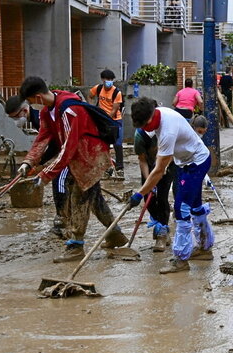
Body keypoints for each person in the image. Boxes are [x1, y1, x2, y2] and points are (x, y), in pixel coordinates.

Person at [18, 76, 128, 263]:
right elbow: (42, 139)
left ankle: (76, 246)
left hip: (90, 157)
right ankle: (115, 234)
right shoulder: (47, 112)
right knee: (95, 199)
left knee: (79, 198)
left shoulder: (70, 110)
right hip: (80, 157)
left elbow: (68, 147)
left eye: (30, 101)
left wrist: (45, 174)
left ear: (37, 97)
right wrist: (28, 162)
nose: (31, 106)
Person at [130, 99, 214, 274]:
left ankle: (181, 259)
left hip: (196, 162)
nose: (145, 129)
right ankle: (205, 248)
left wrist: (140, 194)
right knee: (195, 206)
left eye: (145, 125)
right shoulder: (158, 114)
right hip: (185, 162)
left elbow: (159, 170)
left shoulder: (167, 130)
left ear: (152, 116)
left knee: (181, 208)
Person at [134, 102, 176, 252]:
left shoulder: (166, 129)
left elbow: (171, 153)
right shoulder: (140, 136)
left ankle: (161, 234)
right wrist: (148, 182)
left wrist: (161, 170)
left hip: (167, 165)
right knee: (148, 198)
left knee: (162, 198)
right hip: (150, 167)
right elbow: (142, 160)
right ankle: (160, 225)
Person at [90, 69, 124, 178]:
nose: (109, 81)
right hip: (102, 120)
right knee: (104, 145)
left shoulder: (117, 93)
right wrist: (92, 108)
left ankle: (119, 168)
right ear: (102, 80)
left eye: (111, 79)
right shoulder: (98, 88)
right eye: (107, 79)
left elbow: (114, 110)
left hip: (114, 120)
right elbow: (90, 96)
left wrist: (102, 117)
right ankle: (107, 168)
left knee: (117, 144)